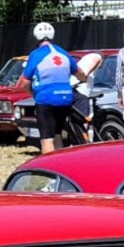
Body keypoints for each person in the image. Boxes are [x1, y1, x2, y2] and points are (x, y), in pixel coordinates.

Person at [22, 21, 76, 154]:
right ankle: (61, 165)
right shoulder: (63, 52)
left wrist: (33, 93)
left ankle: (50, 168)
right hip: (65, 98)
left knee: (47, 138)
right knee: (58, 134)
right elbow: (79, 72)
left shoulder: (36, 54)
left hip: (46, 99)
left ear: (36, 37)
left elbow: (25, 82)